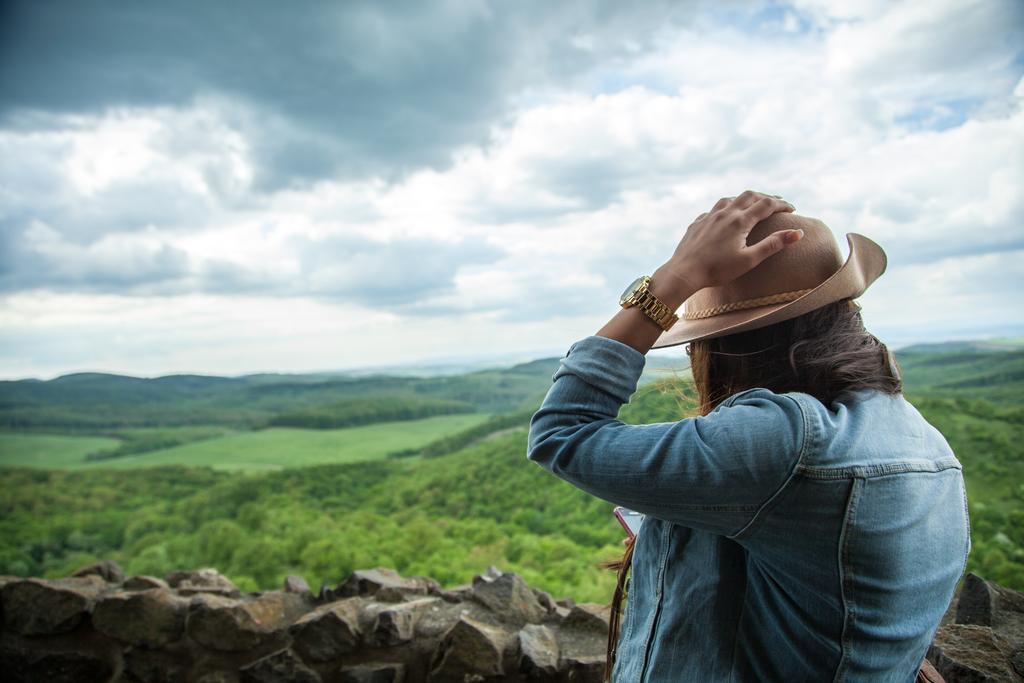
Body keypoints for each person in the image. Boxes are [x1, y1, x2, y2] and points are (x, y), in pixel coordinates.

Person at [526, 191, 969, 682]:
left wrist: (673, 281)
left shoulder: (786, 441)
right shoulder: (924, 441)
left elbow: (562, 431)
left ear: (724, 346)